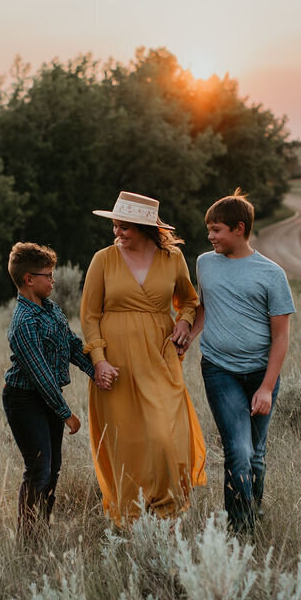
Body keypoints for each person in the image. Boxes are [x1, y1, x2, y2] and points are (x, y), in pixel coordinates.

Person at [80, 191, 206, 526]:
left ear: (145, 228)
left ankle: (167, 510)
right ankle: (131, 516)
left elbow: (190, 301)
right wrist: (99, 361)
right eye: (116, 226)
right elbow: (90, 315)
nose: (117, 233)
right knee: (128, 441)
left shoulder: (172, 259)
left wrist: (183, 322)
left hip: (158, 358)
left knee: (166, 435)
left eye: (125, 227)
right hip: (116, 363)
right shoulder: (103, 260)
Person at [184, 189, 295, 534]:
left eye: (216, 229)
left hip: (261, 373)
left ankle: (253, 514)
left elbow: (281, 337)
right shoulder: (204, 264)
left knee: (256, 454)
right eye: (209, 230)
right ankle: (241, 529)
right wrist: (189, 330)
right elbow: (205, 306)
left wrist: (265, 388)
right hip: (219, 369)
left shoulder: (272, 274)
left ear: (239, 228)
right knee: (238, 450)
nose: (210, 236)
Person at [3, 242, 106, 538]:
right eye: (47, 275)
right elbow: (41, 376)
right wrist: (66, 414)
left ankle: (41, 529)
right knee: (38, 468)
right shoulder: (23, 323)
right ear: (29, 279)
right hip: (24, 399)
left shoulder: (50, 310)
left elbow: (72, 344)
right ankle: (30, 538)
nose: (53, 280)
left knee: (53, 468)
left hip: (44, 398)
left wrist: (96, 369)